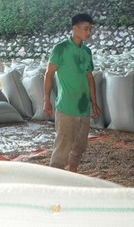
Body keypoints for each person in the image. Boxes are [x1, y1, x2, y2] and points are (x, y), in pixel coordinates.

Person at [43, 13, 100, 172]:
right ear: (74, 29)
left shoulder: (87, 52)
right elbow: (49, 74)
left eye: (90, 29)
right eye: (85, 29)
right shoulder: (61, 49)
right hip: (66, 107)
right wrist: (46, 100)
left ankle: (72, 176)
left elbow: (89, 78)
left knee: (79, 148)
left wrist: (94, 102)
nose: (88, 33)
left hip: (83, 108)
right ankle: (54, 182)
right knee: (62, 147)